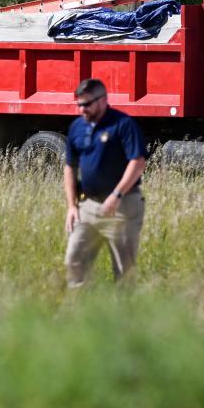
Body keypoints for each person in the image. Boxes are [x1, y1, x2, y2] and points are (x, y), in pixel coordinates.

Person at [63, 78, 147, 288]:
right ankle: (80, 313)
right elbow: (69, 167)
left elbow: (137, 162)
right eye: (79, 105)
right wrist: (72, 206)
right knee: (74, 261)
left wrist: (117, 194)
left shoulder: (123, 124)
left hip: (122, 206)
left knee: (124, 270)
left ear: (103, 100)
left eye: (87, 104)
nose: (82, 109)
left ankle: (122, 316)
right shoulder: (76, 127)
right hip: (88, 206)